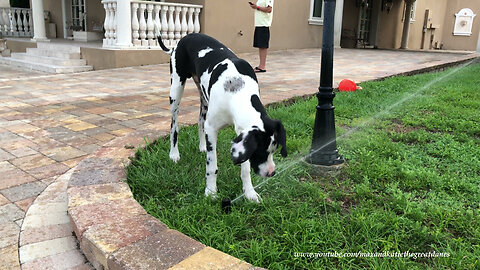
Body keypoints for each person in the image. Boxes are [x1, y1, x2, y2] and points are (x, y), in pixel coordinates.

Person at [249, 0, 274, 73]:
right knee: (261, 45)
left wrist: (256, 7)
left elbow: (269, 10)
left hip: (264, 24)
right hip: (259, 24)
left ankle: (262, 66)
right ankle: (261, 65)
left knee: (263, 45)